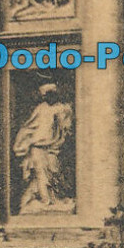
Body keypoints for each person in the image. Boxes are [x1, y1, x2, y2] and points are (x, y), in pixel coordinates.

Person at [13, 83, 75, 212]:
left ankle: (52, 199)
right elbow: (29, 126)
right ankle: (45, 201)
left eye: (50, 95)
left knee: (53, 173)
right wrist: (23, 143)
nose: (48, 97)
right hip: (37, 147)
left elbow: (66, 126)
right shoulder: (41, 108)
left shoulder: (61, 108)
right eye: (45, 95)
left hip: (53, 148)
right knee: (41, 175)